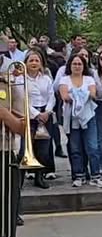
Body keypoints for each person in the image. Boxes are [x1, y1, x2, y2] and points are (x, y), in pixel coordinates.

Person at [59, 54, 102, 189]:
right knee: (75, 148)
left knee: (93, 147)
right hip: (72, 118)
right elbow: (64, 96)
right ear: (70, 65)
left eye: (79, 64)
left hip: (88, 117)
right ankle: (78, 176)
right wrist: (80, 95)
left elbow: (93, 94)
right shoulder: (64, 79)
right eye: (74, 64)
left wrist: (77, 94)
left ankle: (95, 176)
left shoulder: (89, 79)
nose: (77, 66)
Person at [0, 78, 25, 237]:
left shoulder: (8, 86)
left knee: (6, 222)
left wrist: (6, 116)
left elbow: (23, 126)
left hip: (4, 155)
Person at [24, 49, 55, 188]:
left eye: (37, 60)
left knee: (44, 148)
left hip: (45, 115)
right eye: (31, 60)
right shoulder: (21, 79)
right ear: (26, 63)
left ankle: (39, 176)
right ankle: (28, 173)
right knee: (30, 147)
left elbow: (51, 96)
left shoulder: (46, 79)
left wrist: (47, 112)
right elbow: (22, 98)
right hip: (30, 115)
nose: (34, 63)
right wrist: (36, 114)